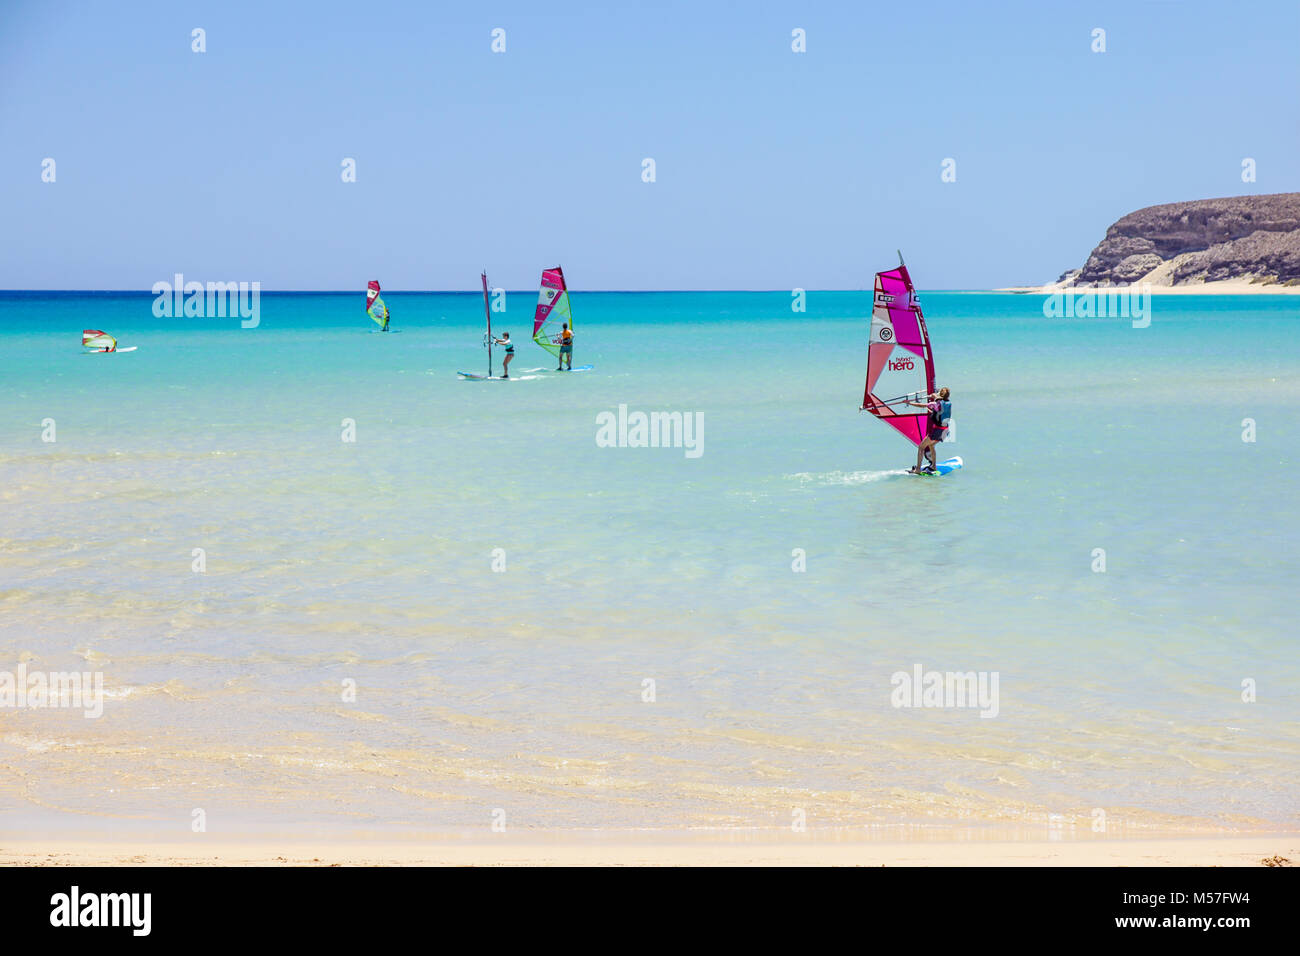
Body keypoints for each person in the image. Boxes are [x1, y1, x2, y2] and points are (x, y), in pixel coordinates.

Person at [907, 386, 951, 474]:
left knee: (921, 447)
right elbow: (940, 413)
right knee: (931, 446)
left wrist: (909, 403)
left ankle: (918, 469)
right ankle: (934, 466)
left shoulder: (936, 404)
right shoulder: (948, 403)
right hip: (945, 431)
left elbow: (921, 405)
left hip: (937, 431)